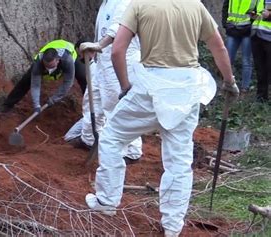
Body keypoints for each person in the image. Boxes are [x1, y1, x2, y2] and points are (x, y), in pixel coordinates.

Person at [82, 1, 240, 236]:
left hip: (150, 88)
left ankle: (107, 201)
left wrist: (125, 87)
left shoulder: (140, 5)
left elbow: (117, 51)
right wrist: (229, 82)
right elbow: (219, 48)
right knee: (179, 161)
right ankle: (173, 225)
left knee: (112, 137)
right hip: (187, 91)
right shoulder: (195, 5)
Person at [64, 0, 142, 164]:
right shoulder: (106, 3)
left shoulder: (124, 2)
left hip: (121, 62)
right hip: (102, 62)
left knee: (118, 106)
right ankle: (89, 139)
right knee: (92, 102)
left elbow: (118, 28)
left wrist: (99, 45)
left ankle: (131, 151)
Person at [1, 39, 87, 113]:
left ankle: (89, 109)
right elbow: (35, 85)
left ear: (57, 61)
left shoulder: (67, 60)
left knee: (83, 77)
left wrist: (53, 99)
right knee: (26, 80)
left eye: (51, 67)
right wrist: (36, 105)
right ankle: (7, 105)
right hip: (52, 53)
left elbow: (68, 82)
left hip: (69, 51)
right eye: (46, 67)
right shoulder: (38, 63)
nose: (48, 70)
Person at [222, 0, 255, 92]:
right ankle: (228, 85)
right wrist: (225, 24)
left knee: (246, 61)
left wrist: (252, 27)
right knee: (228, 59)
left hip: (247, 31)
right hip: (232, 29)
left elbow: (257, 12)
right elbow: (225, 7)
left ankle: (245, 88)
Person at [251, 0, 271, 102]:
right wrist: (253, 15)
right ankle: (261, 97)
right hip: (257, 36)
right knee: (260, 69)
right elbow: (259, 13)